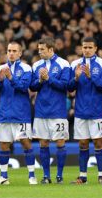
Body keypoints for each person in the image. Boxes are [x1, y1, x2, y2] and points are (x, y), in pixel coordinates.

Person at [0, 42, 36, 185]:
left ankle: (31, 175)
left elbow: (24, 87)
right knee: (4, 145)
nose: (11, 53)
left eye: (14, 51)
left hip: (21, 113)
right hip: (5, 113)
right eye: (9, 50)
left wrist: (11, 78)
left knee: (25, 143)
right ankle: (3, 176)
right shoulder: (0, 69)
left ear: (20, 53)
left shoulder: (26, 68)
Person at [67, 37, 102, 184]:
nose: (86, 50)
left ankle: (101, 175)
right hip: (80, 111)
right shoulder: (75, 64)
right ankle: (83, 176)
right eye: (84, 47)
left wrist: (91, 77)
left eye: (89, 47)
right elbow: (69, 87)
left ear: (95, 48)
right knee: (83, 143)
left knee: (98, 143)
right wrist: (76, 78)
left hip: (97, 111)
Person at [30, 38, 71, 184]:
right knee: (43, 143)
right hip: (41, 110)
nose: (40, 52)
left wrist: (48, 78)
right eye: (39, 49)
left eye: (42, 49)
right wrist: (40, 81)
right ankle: (46, 176)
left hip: (57, 110)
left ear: (51, 49)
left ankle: (59, 175)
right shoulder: (36, 65)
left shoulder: (63, 64)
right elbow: (32, 87)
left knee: (60, 142)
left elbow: (65, 85)